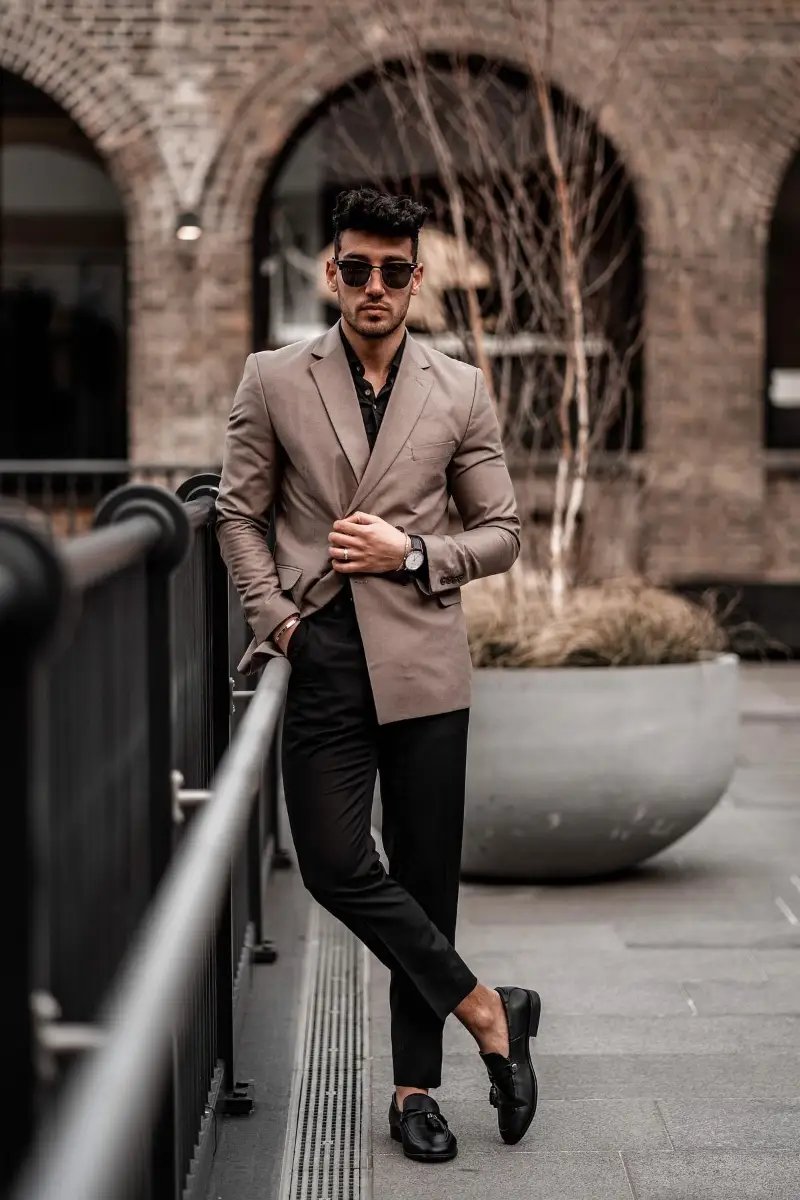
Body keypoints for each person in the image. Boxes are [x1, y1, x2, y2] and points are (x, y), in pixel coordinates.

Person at [215, 187, 541, 1162]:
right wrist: (272, 618)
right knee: (331, 861)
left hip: (424, 662)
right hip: (319, 654)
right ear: (330, 271)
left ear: (415, 278)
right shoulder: (274, 378)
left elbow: (502, 534)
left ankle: (415, 1092)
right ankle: (492, 1010)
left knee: (424, 878)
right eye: (355, 268)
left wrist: (409, 553)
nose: (373, 287)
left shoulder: (459, 387)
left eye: (393, 271)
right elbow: (236, 511)